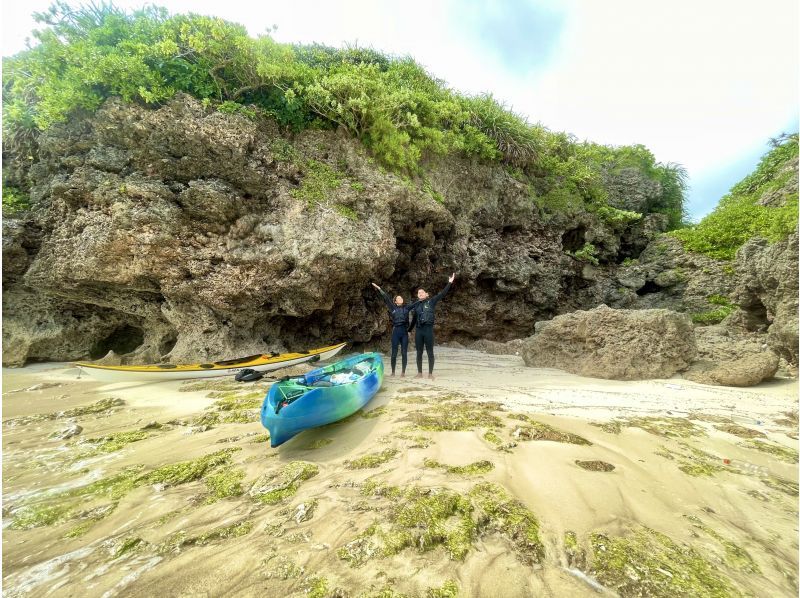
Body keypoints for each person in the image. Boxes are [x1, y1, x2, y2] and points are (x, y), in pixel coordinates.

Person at [408, 273, 455, 380]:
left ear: (426, 294)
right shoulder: (416, 306)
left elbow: (442, 294)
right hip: (419, 331)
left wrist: (450, 282)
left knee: (430, 352)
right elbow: (414, 320)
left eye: (422, 292)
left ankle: (430, 373)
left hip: (428, 330)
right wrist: (409, 330)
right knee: (419, 352)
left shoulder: (431, 301)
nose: (420, 293)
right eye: (418, 293)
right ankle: (419, 373)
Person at [371, 282, 418, 376]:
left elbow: (415, 304)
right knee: (394, 353)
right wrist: (379, 289)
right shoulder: (392, 307)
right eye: (398, 298)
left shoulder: (407, 308)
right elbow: (386, 298)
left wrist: (422, 299)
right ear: (395, 302)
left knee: (404, 353)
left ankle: (403, 372)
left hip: (404, 332)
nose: (400, 299)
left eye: (401, 298)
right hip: (396, 332)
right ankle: (393, 372)